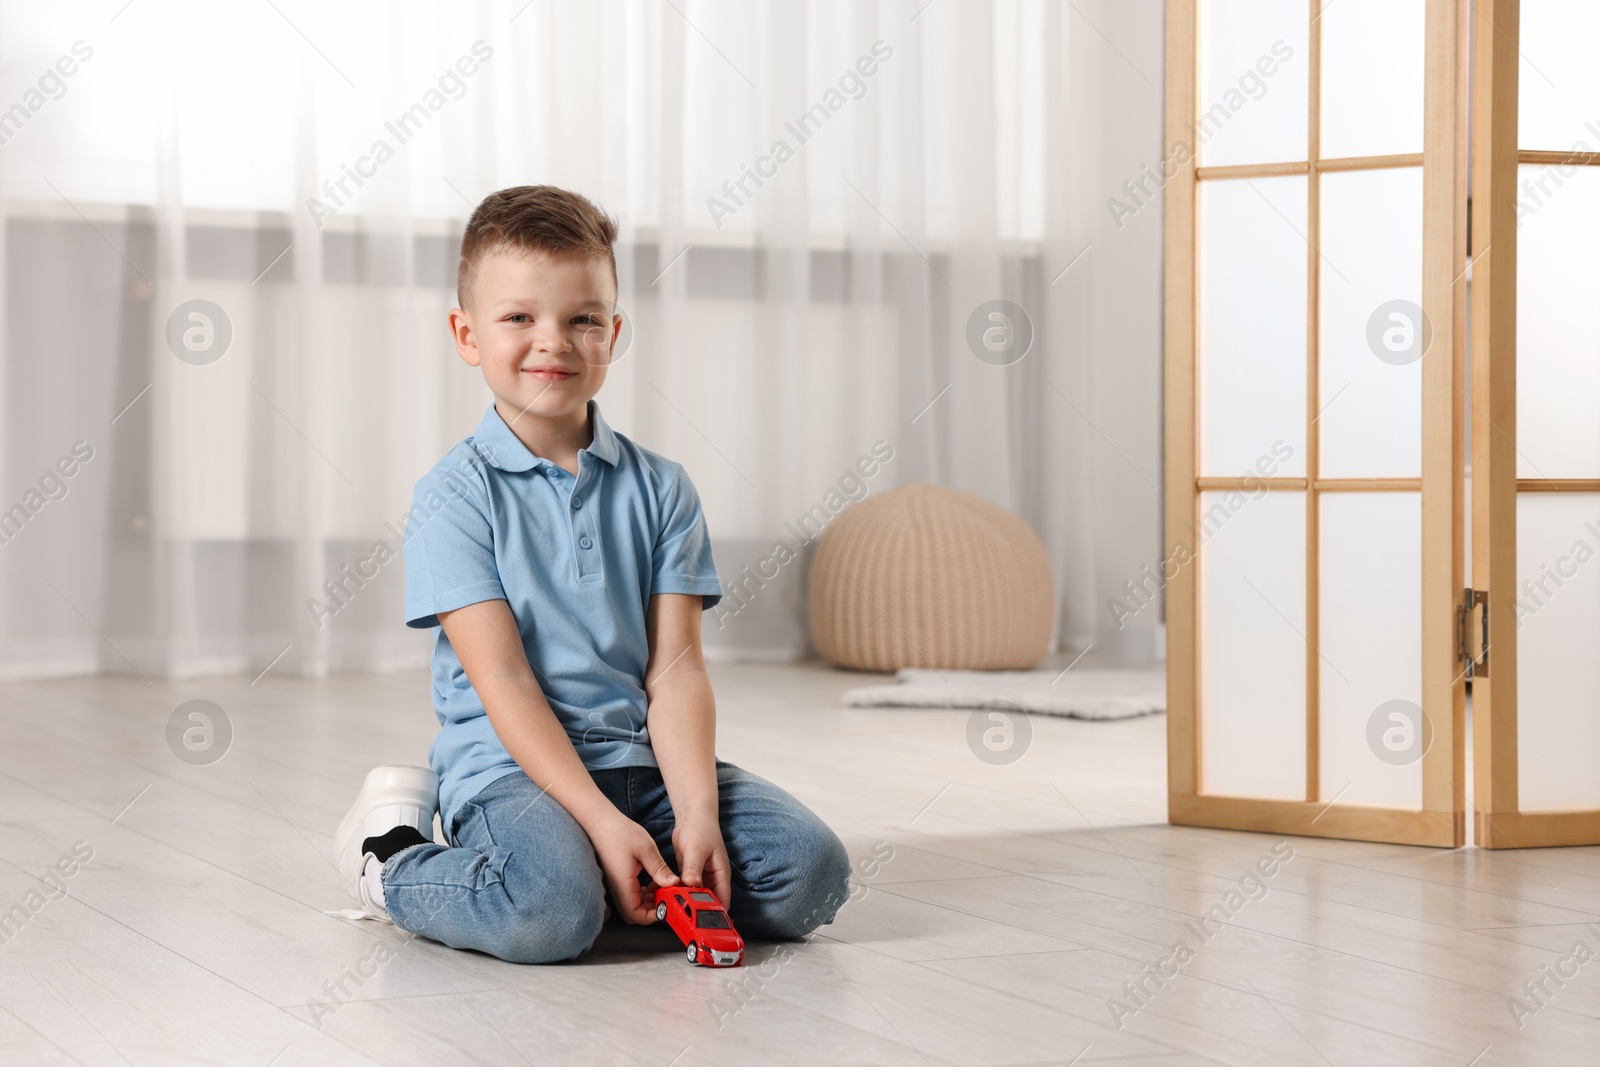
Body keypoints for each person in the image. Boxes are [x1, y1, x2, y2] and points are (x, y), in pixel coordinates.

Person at [332, 185, 851, 963]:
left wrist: (697, 812)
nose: (554, 342)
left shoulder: (662, 487)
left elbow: (675, 671)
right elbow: (503, 681)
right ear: (466, 335)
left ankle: (612, 876)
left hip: (643, 761)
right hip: (516, 770)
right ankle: (394, 859)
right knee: (548, 914)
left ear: (612, 331)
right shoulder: (453, 495)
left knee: (813, 875)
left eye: (581, 318)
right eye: (518, 318)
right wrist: (603, 822)